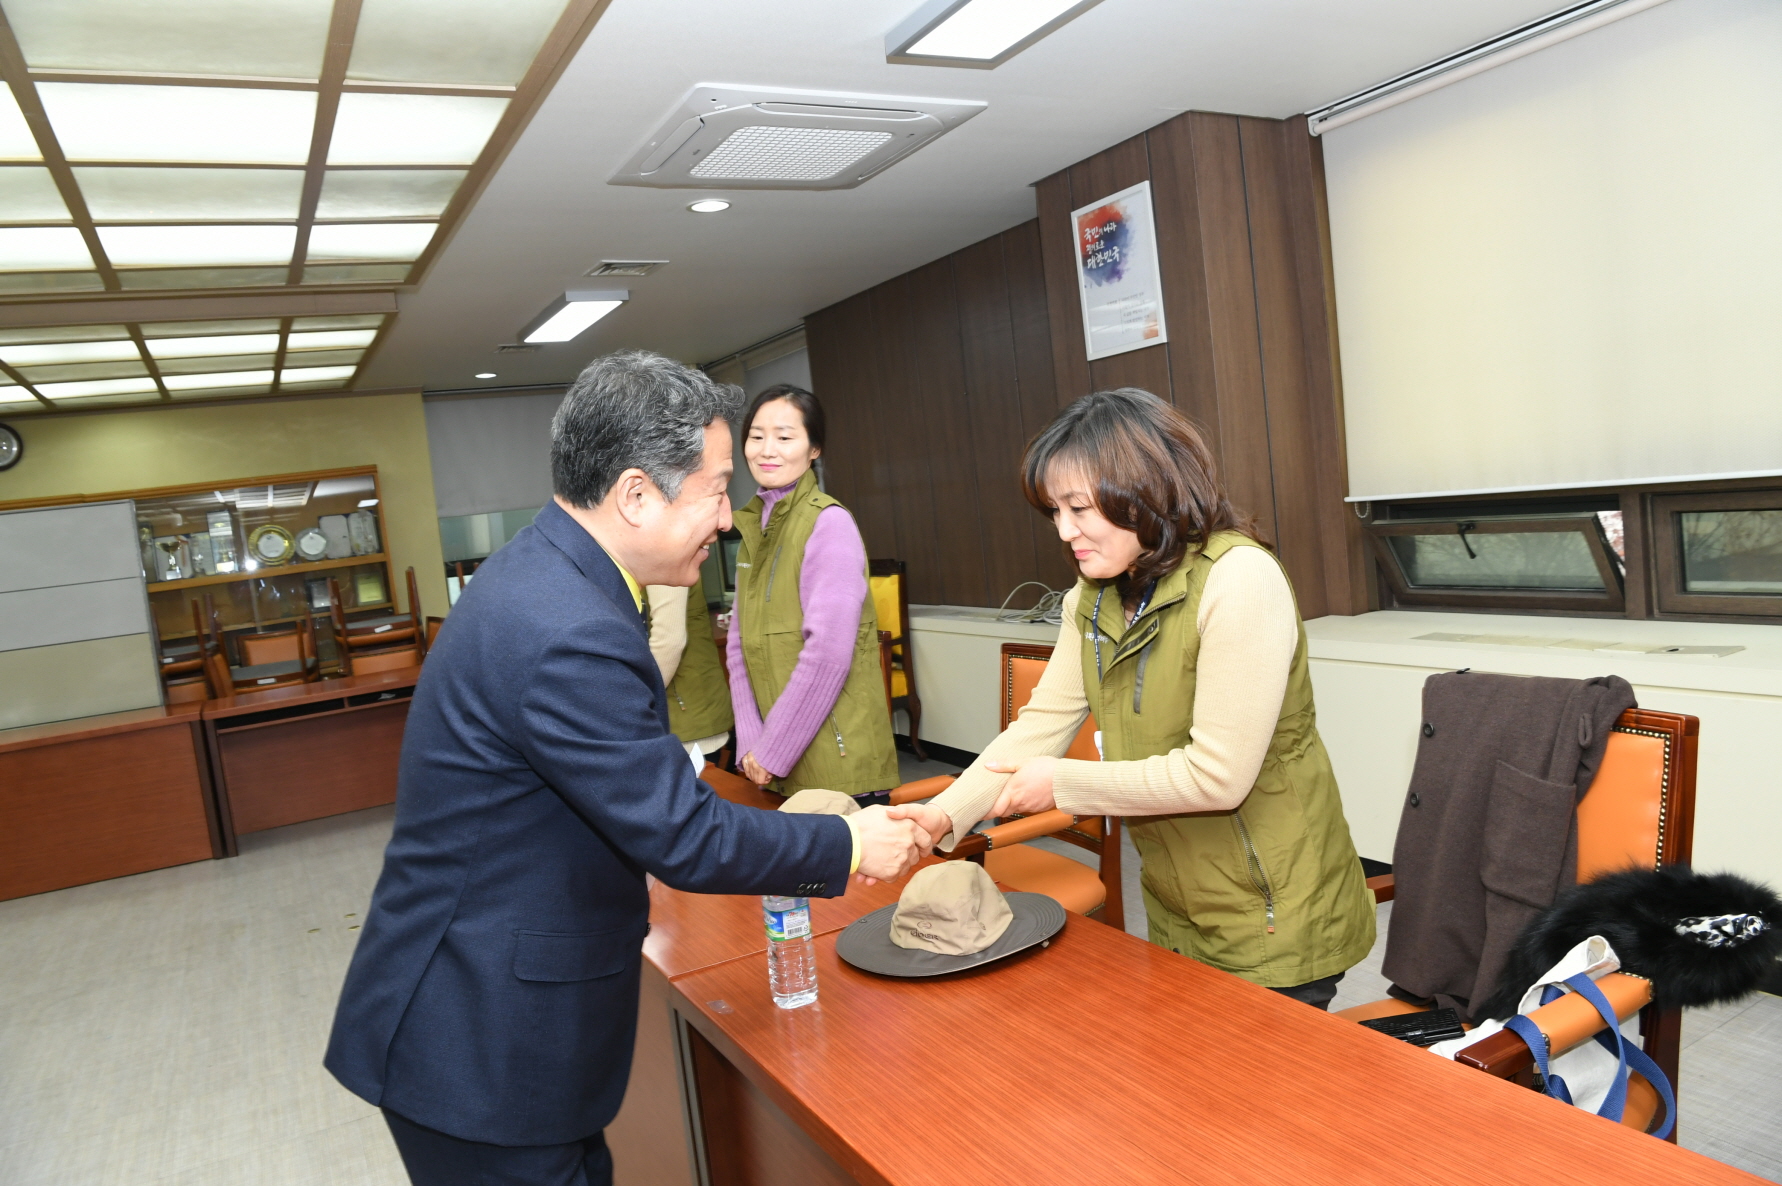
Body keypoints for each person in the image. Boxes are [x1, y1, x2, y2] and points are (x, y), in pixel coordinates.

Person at [324, 352, 931, 1186]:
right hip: (481, 1045)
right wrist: (851, 843)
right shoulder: (566, 626)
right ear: (638, 494)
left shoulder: (553, 574)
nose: (726, 519)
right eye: (716, 490)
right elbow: (684, 837)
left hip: (496, 1019)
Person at [892, 388, 1375, 1009]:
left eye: (1078, 508)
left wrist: (1062, 784)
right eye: (1054, 511)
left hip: (1275, 905)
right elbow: (1039, 727)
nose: (1064, 531)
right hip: (1178, 896)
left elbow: (1219, 777)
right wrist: (943, 814)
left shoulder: (1239, 579)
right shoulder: (1091, 595)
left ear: (1146, 490)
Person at [727, 384, 900, 803]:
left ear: (814, 449)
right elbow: (737, 645)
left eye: (785, 437)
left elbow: (827, 653)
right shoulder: (752, 526)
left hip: (836, 760)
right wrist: (751, 740)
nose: (767, 450)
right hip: (772, 761)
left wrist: (772, 749)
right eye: (756, 436)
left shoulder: (829, 523)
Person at [644, 581, 733, 772]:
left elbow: (669, 641)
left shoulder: (662, 564)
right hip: (681, 716)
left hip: (686, 717)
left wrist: (634, 700)